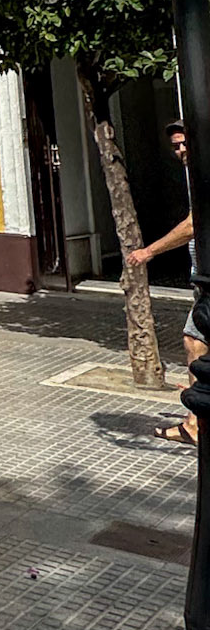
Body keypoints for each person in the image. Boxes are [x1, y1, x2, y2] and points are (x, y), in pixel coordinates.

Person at [124, 120, 207, 445]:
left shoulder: (204, 176)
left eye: (186, 143)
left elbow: (192, 225)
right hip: (203, 278)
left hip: (208, 282)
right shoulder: (195, 176)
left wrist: (148, 252)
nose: (181, 150)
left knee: (195, 340)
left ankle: (196, 423)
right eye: (176, 146)